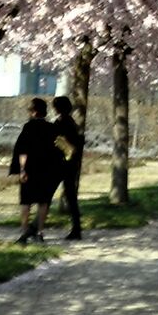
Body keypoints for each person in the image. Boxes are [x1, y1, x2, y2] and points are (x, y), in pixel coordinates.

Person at [7, 97, 65, 243]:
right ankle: (39, 233)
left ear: (33, 112)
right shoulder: (52, 128)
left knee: (26, 202)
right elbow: (61, 149)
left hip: (30, 170)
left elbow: (22, 151)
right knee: (43, 202)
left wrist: (21, 169)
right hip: (46, 170)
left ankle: (24, 233)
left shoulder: (28, 128)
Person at [51, 95, 86, 240]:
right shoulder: (73, 123)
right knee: (71, 197)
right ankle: (76, 228)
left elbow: (54, 142)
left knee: (46, 195)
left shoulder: (60, 124)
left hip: (60, 164)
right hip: (71, 164)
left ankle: (35, 228)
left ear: (57, 108)